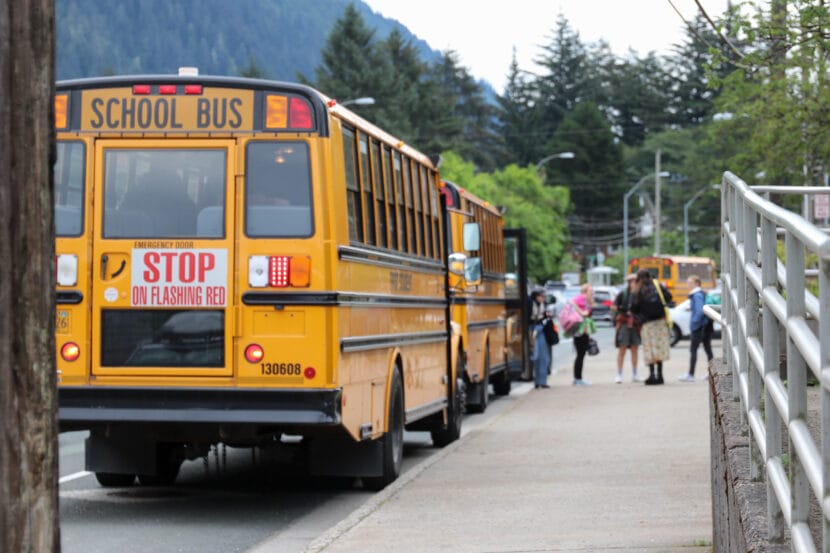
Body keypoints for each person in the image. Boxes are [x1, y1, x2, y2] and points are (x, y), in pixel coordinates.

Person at [631, 269, 672, 385]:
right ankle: (661, 376)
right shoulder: (657, 285)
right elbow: (669, 297)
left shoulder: (637, 290)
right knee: (660, 348)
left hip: (647, 324)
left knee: (650, 349)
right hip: (660, 322)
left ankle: (652, 375)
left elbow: (633, 308)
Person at [679, 275, 713, 382]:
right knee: (708, 350)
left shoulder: (696, 295)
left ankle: (691, 374)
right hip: (706, 326)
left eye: (690, 282)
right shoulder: (700, 293)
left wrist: (694, 324)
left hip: (699, 327)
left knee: (693, 350)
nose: (688, 284)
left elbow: (699, 311)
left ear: (697, 283)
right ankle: (712, 374)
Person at [612, 274, 642, 383]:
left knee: (635, 349)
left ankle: (635, 373)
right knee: (622, 349)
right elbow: (614, 306)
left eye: (635, 281)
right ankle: (619, 374)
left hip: (635, 324)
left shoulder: (639, 294)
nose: (633, 283)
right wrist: (622, 309)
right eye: (631, 281)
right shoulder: (623, 294)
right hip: (624, 323)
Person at [571, 283, 596, 386]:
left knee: (580, 354)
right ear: (585, 291)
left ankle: (578, 378)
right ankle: (578, 379)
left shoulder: (584, 300)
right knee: (580, 355)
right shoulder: (582, 299)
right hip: (580, 331)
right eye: (591, 291)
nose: (592, 293)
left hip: (580, 330)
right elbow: (583, 313)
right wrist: (582, 312)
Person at [532, 304, 558, 389]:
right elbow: (545, 319)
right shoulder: (538, 306)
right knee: (543, 359)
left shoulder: (540, 306)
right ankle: (541, 381)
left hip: (541, 334)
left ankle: (539, 381)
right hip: (541, 335)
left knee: (540, 359)